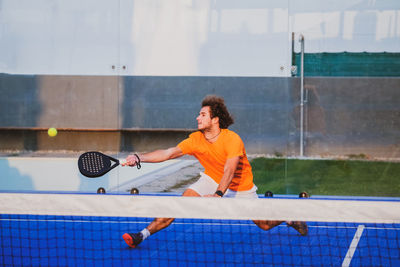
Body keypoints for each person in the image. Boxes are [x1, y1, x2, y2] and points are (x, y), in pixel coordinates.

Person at [122, 95, 308, 248]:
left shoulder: (232, 139)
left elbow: (230, 169)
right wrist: (140, 158)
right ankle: (141, 235)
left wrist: (219, 194)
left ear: (215, 119)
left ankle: (288, 217)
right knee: (180, 202)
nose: (198, 118)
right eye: (199, 114)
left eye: (203, 115)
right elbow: (169, 153)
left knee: (265, 225)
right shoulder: (196, 139)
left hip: (239, 187)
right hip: (211, 179)